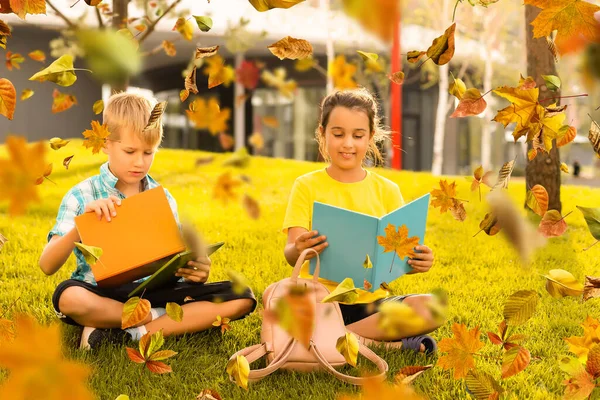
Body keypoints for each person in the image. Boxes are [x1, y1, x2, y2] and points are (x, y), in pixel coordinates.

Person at [39, 92, 256, 350]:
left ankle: (131, 332)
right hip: (102, 294)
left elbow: (171, 260)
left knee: (242, 297)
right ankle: (156, 321)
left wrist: (195, 273)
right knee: (68, 297)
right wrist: (80, 226)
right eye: (129, 151)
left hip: (154, 292)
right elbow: (47, 265)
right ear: (106, 143)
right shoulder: (81, 195)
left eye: (148, 152)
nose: (139, 162)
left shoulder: (162, 197)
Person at [282, 88, 441, 353]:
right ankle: (381, 346)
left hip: (372, 308)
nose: (348, 144)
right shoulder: (306, 186)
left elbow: (397, 259)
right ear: (322, 133)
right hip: (322, 302)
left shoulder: (387, 190)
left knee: (433, 308)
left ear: (370, 138)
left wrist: (418, 262)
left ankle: (338, 339)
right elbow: (290, 254)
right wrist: (298, 248)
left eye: (358, 136)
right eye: (338, 134)